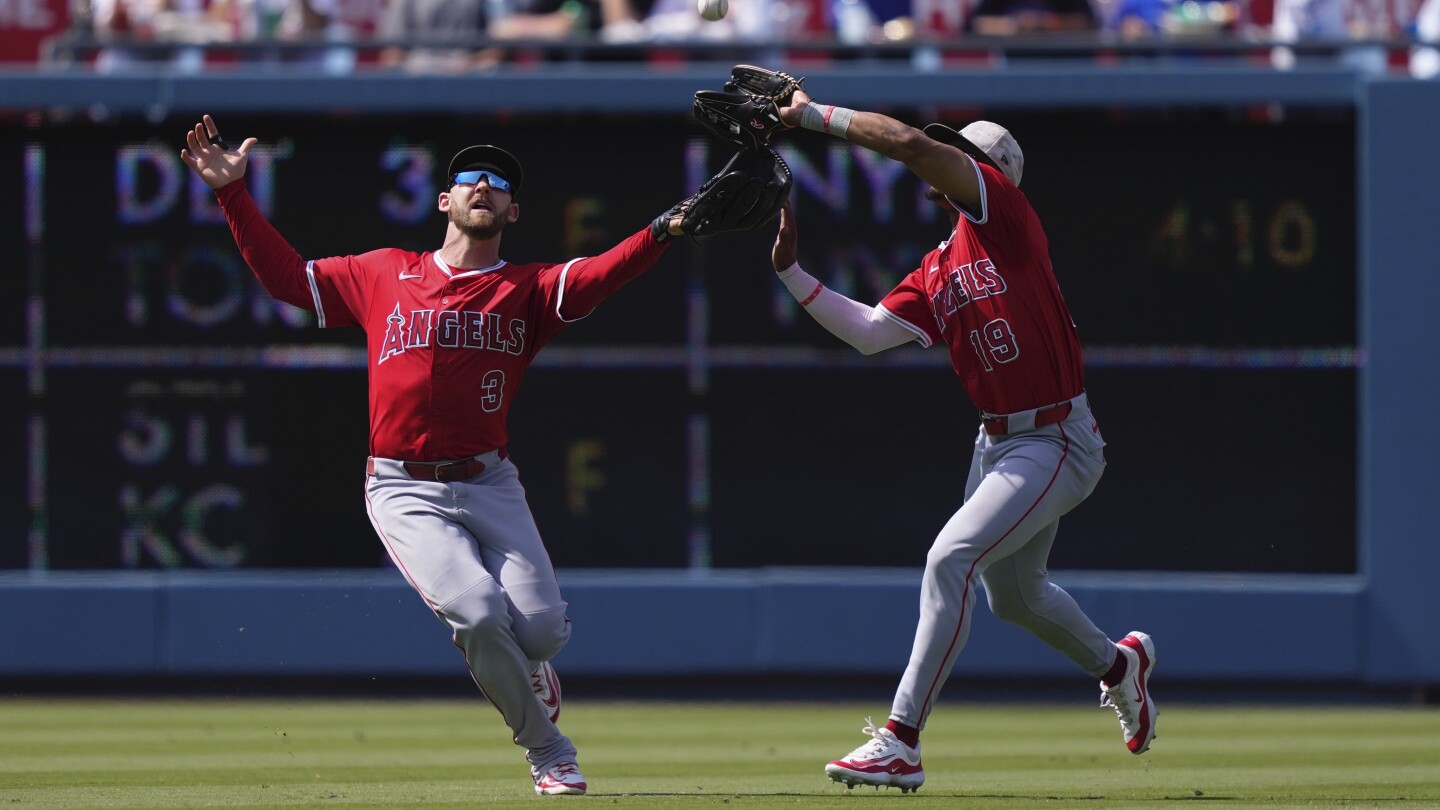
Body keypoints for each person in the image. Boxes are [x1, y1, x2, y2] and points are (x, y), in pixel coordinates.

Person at [180, 114, 701, 796]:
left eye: (499, 183)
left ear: (514, 210)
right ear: (444, 201)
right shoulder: (382, 273)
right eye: (469, 178)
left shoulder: (530, 289)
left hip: (489, 480)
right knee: (481, 614)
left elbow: (605, 272)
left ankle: (529, 669)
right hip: (403, 488)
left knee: (540, 632)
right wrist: (232, 195)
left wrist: (663, 230)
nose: (484, 185)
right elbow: (286, 279)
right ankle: (548, 752)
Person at [766, 90, 1157, 792]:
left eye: (963, 151)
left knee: (950, 559)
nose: (946, 156)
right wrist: (793, 275)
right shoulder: (941, 262)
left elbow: (912, 146)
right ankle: (1119, 665)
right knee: (1016, 597)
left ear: (989, 171)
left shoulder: (1002, 214)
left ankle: (901, 740)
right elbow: (870, 334)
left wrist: (809, 115)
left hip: (1056, 438)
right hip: (1000, 444)